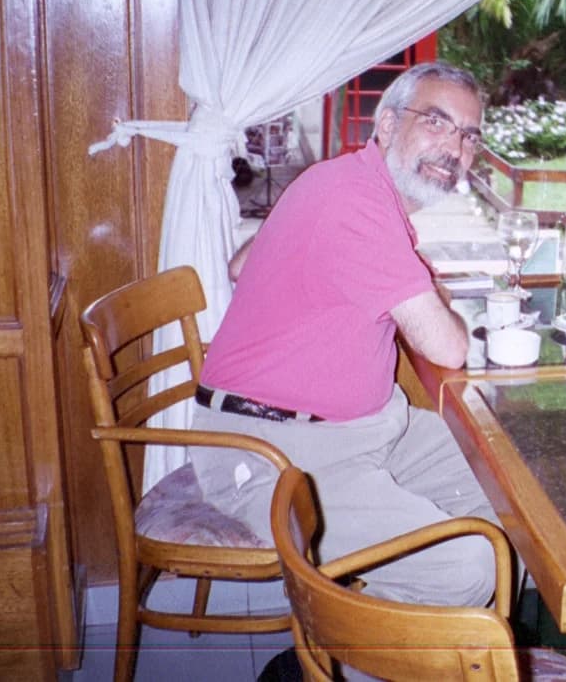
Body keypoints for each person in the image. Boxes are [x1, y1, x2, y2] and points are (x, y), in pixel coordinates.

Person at [190, 61, 498, 608]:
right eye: (436, 121)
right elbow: (447, 344)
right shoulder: (357, 202)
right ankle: (365, 656)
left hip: (365, 431)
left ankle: (453, 650)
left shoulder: (344, 180)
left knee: (509, 498)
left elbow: (242, 264)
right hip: (274, 452)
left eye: (468, 135)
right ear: (384, 125)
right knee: (464, 564)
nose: (454, 148)